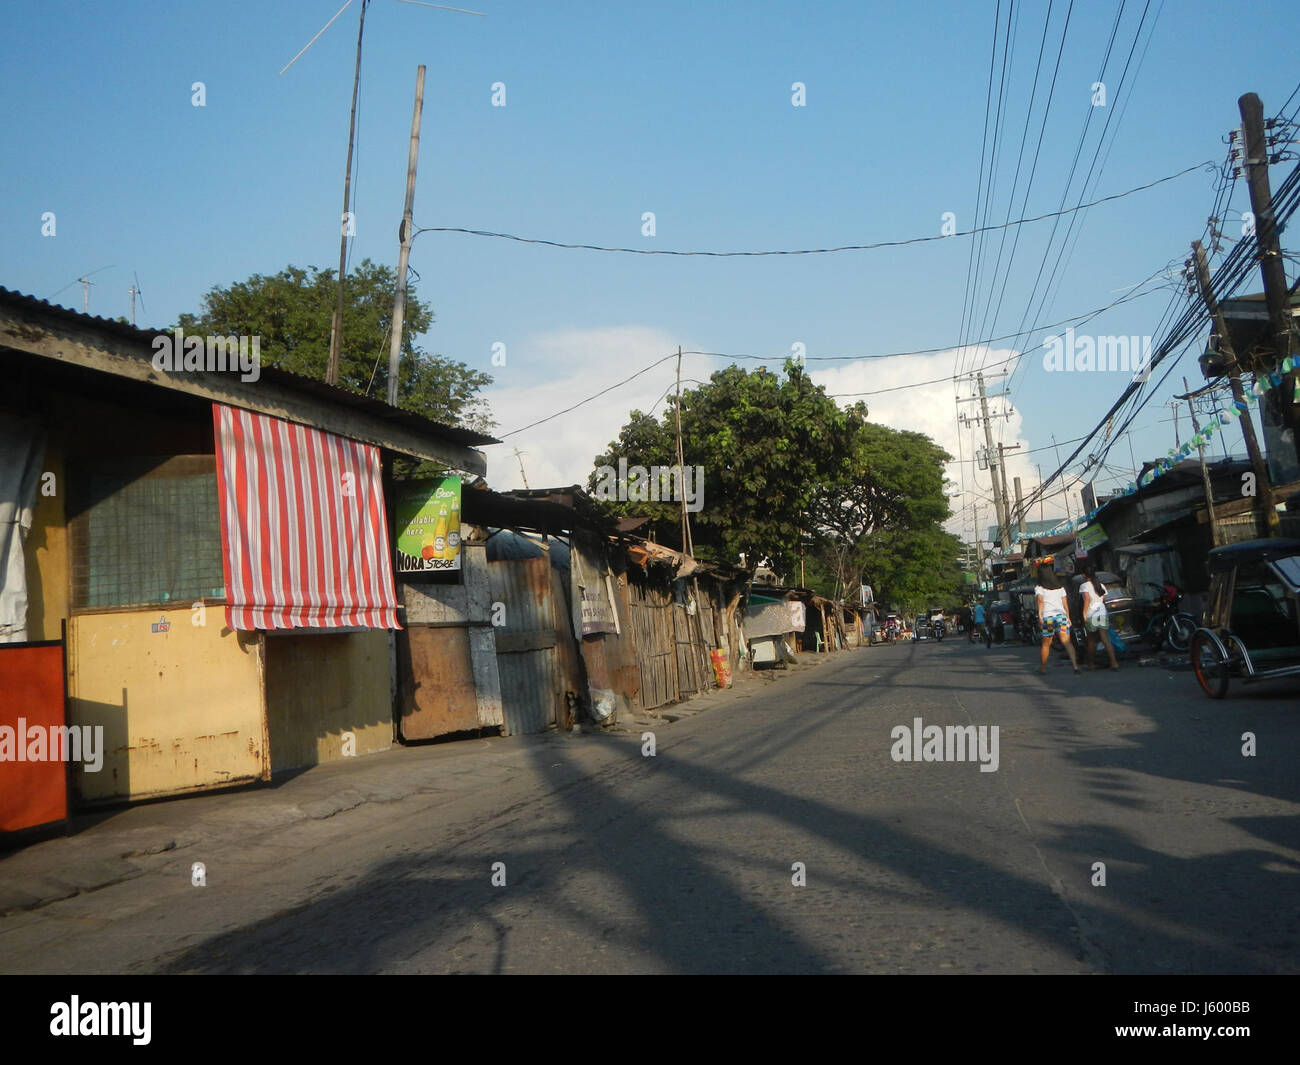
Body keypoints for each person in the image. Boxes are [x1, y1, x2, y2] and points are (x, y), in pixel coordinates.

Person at [1035, 563, 1079, 674]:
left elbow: (1040, 602)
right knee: (1067, 642)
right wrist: (1068, 617)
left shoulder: (1039, 588)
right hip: (1061, 617)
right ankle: (1075, 666)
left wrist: (1040, 616)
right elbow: (1065, 604)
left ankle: (1043, 668)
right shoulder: (1060, 588)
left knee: (1046, 644)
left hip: (1048, 618)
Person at [1078, 560, 1119, 670]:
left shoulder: (1084, 586)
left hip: (1091, 614)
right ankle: (1114, 663)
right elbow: (1103, 599)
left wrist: (1084, 615)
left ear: (1084, 574)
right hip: (1102, 613)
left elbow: (1086, 600)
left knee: (1091, 640)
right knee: (1105, 639)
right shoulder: (1100, 585)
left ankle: (1091, 664)